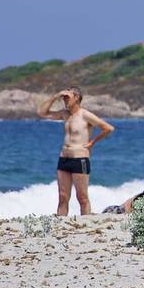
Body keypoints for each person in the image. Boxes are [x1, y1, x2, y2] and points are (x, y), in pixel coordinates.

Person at [37, 86, 114, 216]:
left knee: (82, 197)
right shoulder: (64, 114)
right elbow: (42, 112)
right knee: (63, 197)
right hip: (64, 158)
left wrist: (92, 142)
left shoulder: (85, 115)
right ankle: (60, 226)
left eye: (67, 98)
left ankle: (86, 225)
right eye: (63, 98)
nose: (64, 100)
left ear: (76, 97)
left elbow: (108, 128)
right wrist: (56, 96)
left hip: (80, 159)